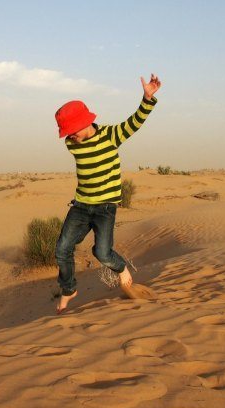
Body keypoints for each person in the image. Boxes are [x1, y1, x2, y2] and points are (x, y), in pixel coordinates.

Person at [53, 73, 162, 314]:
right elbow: (76, 137)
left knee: (101, 252)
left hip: (105, 208)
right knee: (62, 249)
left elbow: (134, 123)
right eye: (67, 132)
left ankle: (122, 270)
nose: (70, 136)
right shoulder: (73, 144)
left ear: (85, 122)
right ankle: (68, 289)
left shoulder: (111, 136)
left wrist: (147, 99)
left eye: (72, 130)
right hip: (81, 206)